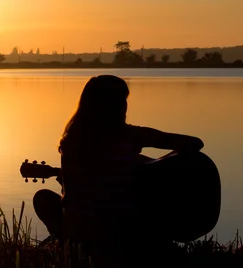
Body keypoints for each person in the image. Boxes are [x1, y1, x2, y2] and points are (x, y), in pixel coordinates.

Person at [33, 74, 204, 245]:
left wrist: (150, 166)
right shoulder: (133, 135)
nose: (125, 105)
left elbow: (70, 200)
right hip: (128, 225)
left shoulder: (71, 142)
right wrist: (158, 164)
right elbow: (195, 143)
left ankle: (67, 243)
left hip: (87, 228)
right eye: (122, 100)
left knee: (43, 198)